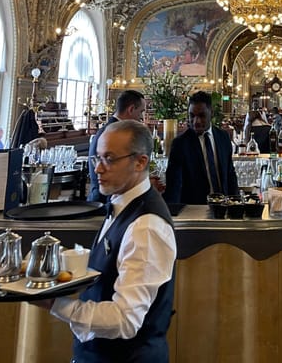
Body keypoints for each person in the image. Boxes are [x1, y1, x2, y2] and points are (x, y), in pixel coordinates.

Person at [42, 120, 176, 363]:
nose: (98, 169)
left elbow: (124, 319)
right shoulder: (121, 205)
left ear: (140, 162)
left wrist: (54, 303)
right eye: (97, 159)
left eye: (109, 159)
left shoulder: (146, 226)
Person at [164, 90, 238, 204]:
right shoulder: (180, 144)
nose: (196, 121)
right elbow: (174, 184)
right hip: (194, 210)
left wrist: (236, 204)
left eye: (202, 116)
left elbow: (230, 175)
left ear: (211, 113)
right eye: (192, 116)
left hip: (223, 208)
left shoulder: (223, 138)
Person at [88, 89, 146, 203]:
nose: (141, 118)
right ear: (131, 109)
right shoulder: (115, 134)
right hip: (105, 201)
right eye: (141, 112)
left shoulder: (111, 129)